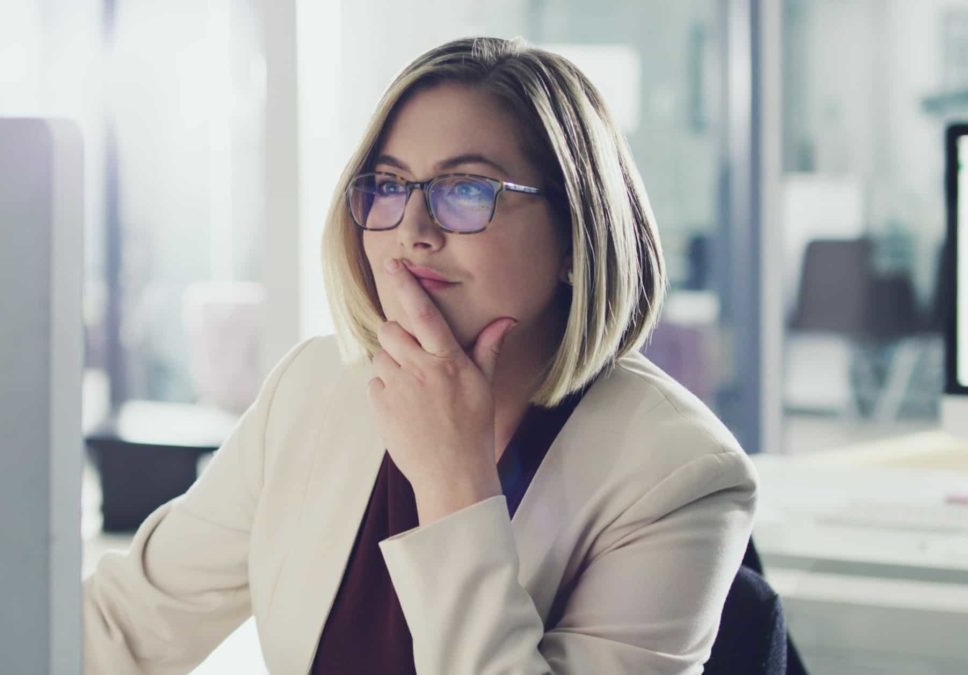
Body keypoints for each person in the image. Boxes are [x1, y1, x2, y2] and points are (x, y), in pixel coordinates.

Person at [83, 36, 757, 674]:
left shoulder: (679, 474)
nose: (412, 229)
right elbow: (120, 627)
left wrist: (453, 481)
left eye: (466, 190)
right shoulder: (313, 389)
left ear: (575, 237)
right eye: (388, 186)